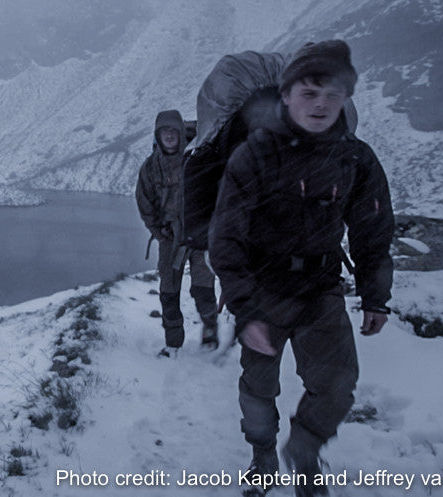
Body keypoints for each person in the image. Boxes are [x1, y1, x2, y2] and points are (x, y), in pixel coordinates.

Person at [208, 40, 394, 497]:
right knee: (258, 386)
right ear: (286, 94)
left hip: (321, 287)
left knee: (337, 384)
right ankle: (263, 454)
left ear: (346, 98)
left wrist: (375, 295)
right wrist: (246, 308)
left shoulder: (356, 158)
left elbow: (372, 228)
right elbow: (225, 238)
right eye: (310, 92)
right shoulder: (253, 156)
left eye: (333, 93)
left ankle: (305, 451)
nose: (322, 104)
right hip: (264, 288)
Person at [136, 109, 219, 357]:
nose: (170, 136)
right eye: (165, 132)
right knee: (169, 292)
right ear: (158, 135)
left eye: (174, 131)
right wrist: (158, 233)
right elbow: (144, 202)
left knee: (203, 288)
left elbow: (217, 192)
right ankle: (173, 343)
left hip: (200, 236)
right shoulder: (151, 168)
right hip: (170, 238)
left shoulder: (198, 158)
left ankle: (210, 333)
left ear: (181, 133)